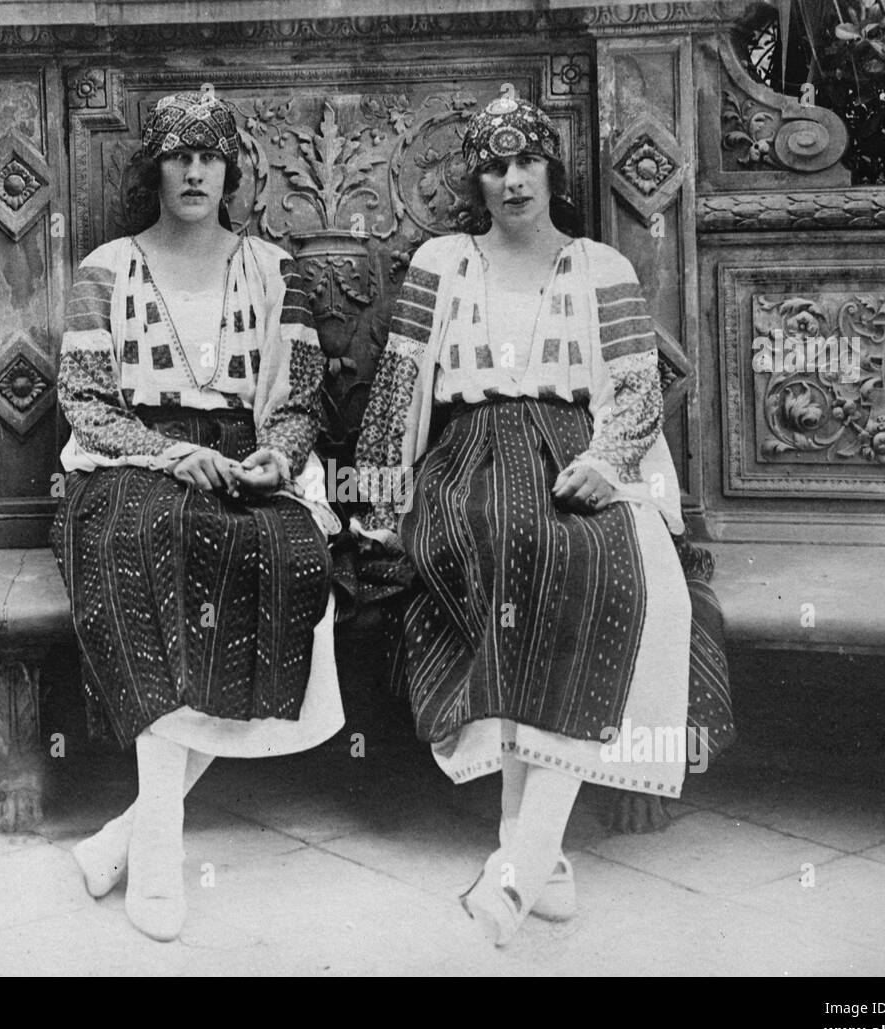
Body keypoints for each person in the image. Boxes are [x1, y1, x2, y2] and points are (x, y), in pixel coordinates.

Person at [353, 94, 731, 946]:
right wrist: (378, 503)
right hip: (471, 454)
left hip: (579, 447)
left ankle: (523, 863)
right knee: (511, 549)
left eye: (527, 162)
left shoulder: (601, 268)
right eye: (494, 165)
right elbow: (400, 389)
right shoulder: (443, 263)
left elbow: (636, 387)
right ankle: (538, 862)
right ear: (476, 181)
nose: (513, 179)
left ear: (551, 172)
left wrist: (606, 462)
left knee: (616, 568)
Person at [50, 91, 343, 943]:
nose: (193, 171)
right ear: (156, 169)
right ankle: (163, 852)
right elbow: (85, 404)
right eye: (177, 156)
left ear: (229, 171)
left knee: (286, 560)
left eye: (209, 157)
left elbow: (298, 403)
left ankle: (126, 835)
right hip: (130, 462)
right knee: (151, 548)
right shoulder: (107, 267)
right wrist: (174, 455)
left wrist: (275, 459)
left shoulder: (272, 268)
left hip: (243, 459)